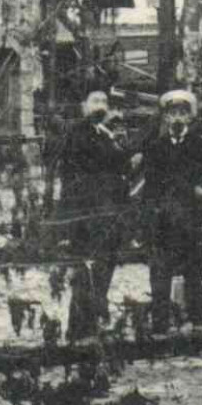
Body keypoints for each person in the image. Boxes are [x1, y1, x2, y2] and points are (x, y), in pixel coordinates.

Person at [138, 90, 202, 334]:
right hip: (163, 223)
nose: (177, 118)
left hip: (192, 220)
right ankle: (161, 326)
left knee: (193, 274)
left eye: (182, 113)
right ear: (165, 118)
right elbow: (149, 187)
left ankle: (197, 323)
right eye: (172, 113)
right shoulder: (155, 148)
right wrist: (148, 217)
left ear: (190, 118)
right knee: (160, 275)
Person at [58, 92, 131, 335]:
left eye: (104, 102)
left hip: (108, 215)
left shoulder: (104, 133)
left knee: (102, 272)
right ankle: (79, 329)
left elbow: (121, 167)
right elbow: (92, 164)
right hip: (87, 216)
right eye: (95, 102)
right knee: (85, 274)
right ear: (83, 106)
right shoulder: (80, 134)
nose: (101, 106)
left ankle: (90, 326)